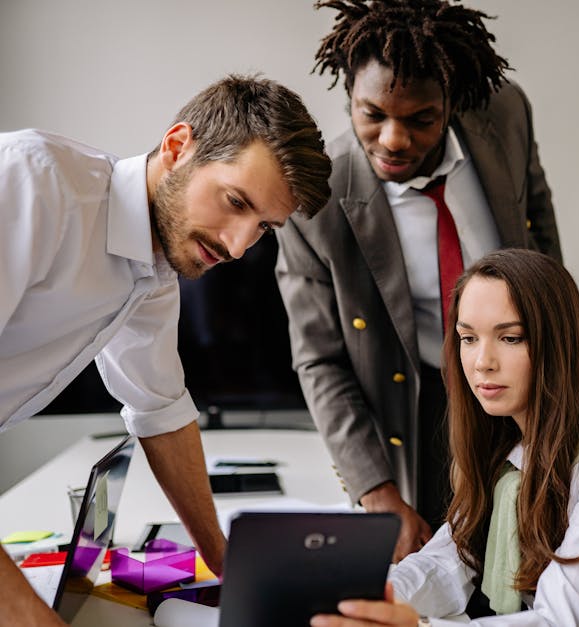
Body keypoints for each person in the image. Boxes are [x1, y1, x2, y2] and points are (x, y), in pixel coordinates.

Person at [0, 74, 331, 626]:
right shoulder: (33, 183)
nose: (237, 245)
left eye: (264, 228)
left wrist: (230, 566)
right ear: (179, 147)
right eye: (234, 202)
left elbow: (162, 413)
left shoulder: (152, 274)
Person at [276, 0, 562, 561]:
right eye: (371, 114)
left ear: (452, 102)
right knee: (449, 577)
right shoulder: (316, 197)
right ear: (349, 97)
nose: (393, 139)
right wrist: (376, 492)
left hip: (530, 389)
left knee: (543, 565)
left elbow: (542, 235)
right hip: (423, 410)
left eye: (420, 119)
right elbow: (318, 359)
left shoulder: (504, 114)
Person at [309, 249, 579, 626]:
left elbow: (562, 619)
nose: (482, 362)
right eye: (468, 338)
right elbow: (446, 564)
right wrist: (366, 598)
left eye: (510, 338)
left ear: (556, 345)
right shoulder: (506, 445)